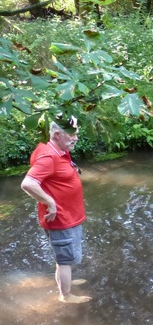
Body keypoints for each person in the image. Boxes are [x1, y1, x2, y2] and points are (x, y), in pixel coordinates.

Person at [21, 116, 91, 303]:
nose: (76, 138)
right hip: (62, 220)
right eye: (72, 134)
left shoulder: (53, 146)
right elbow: (28, 183)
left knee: (64, 259)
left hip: (68, 217)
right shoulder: (48, 156)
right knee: (65, 261)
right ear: (58, 134)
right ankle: (65, 296)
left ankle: (65, 279)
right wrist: (50, 203)